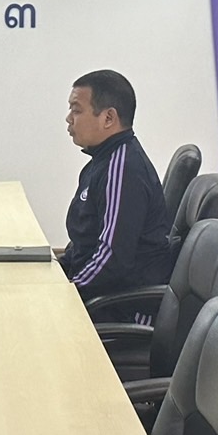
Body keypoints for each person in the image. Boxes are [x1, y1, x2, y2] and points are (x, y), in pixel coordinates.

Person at [59, 70, 171, 310]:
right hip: (97, 294)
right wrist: (56, 272)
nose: (69, 119)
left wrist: (65, 293)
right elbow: (84, 243)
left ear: (108, 118)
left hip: (120, 308)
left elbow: (111, 259)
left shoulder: (123, 170)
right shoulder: (102, 161)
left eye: (76, 110)